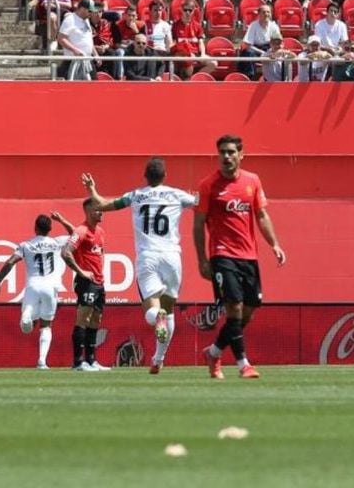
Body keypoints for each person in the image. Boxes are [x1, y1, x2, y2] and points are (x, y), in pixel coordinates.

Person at [81, 161, 196, 374]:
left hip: (148, 257)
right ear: (165, 175)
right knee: (169, 311)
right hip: (172, 257)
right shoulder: (177, 195)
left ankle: (156, 318)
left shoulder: (136, 196)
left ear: (145, 176)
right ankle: (158, 359)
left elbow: (102, 205)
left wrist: (92, 190)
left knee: (153, 310)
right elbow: (200, 203)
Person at [196, 135, 286, 380]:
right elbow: (198, 223)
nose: (226, 156)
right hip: (222, 254)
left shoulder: (252, 181)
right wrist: (202, 259)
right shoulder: (208, 185)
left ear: (241, 155)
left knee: (247, 312)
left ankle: (213, 352)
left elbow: (261, 215)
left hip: (249, 256)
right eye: (222, 152)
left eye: (231, 152)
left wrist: (274, 244)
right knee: (233, 308)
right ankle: (243, 364)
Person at [0, 212, 79, 369]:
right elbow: (76, 234)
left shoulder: (26, 245)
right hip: (51, 287)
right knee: (46, 325)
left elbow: (10, 262)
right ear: (50, 229)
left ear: (35, 228)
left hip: (33, 285)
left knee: (27, 325)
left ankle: (27, 314)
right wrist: (61, 220)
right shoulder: (57, 243)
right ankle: (42, 361)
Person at [61, 198, 109, 370]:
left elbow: (100, 253)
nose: (101, 212)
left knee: (96, 319)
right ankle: (77, 362)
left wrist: (100, 273)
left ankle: (91, 360)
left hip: (99, 282)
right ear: (88, 211)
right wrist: (81, 271)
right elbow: (65, 252)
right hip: (86, 282)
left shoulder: (100, 232)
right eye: (97, 209)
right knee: (83, 318)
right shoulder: (81, 231)